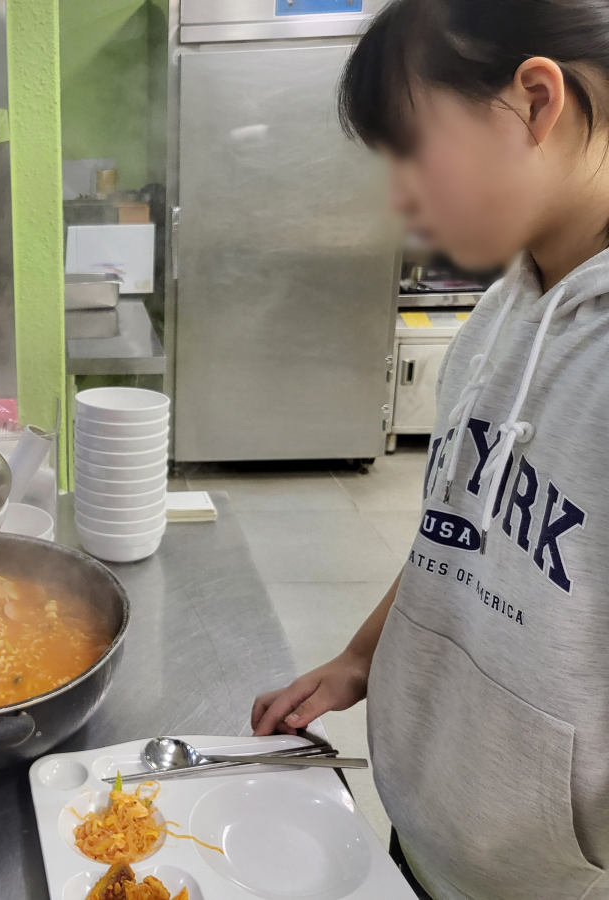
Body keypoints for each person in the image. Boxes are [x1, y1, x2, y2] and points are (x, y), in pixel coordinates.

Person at [251, 2, 609, 898]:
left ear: (535, 101)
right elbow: (459, 530)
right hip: (427, 833)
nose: (399, 199)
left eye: (413, 154)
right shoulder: (499, 313)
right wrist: (362, 656)